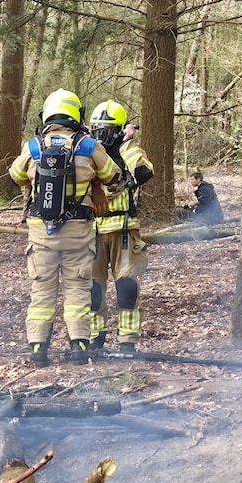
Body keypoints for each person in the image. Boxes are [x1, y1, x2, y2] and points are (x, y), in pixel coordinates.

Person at [10, 89, 122, 368]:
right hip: (78, 233)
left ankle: (38, 349)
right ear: (77, 114)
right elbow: (114, 178)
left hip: (41, 234)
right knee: (77, 291)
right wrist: (94, 182)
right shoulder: (87, 146)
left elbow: (16, 176)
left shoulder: (34, 146)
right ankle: (79, 347)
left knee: (42, 291)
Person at [88, 102, 154, 353]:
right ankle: (95, 338)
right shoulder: (89, 152)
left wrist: (124, 145)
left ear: (117, 131)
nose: (99, 138)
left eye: (104, 133)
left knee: (127, 287)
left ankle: (127, 341)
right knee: (93, 290)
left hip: (124, 230)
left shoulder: (131, 151)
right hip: (92, 231)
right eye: (96, 131)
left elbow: (143, 172)